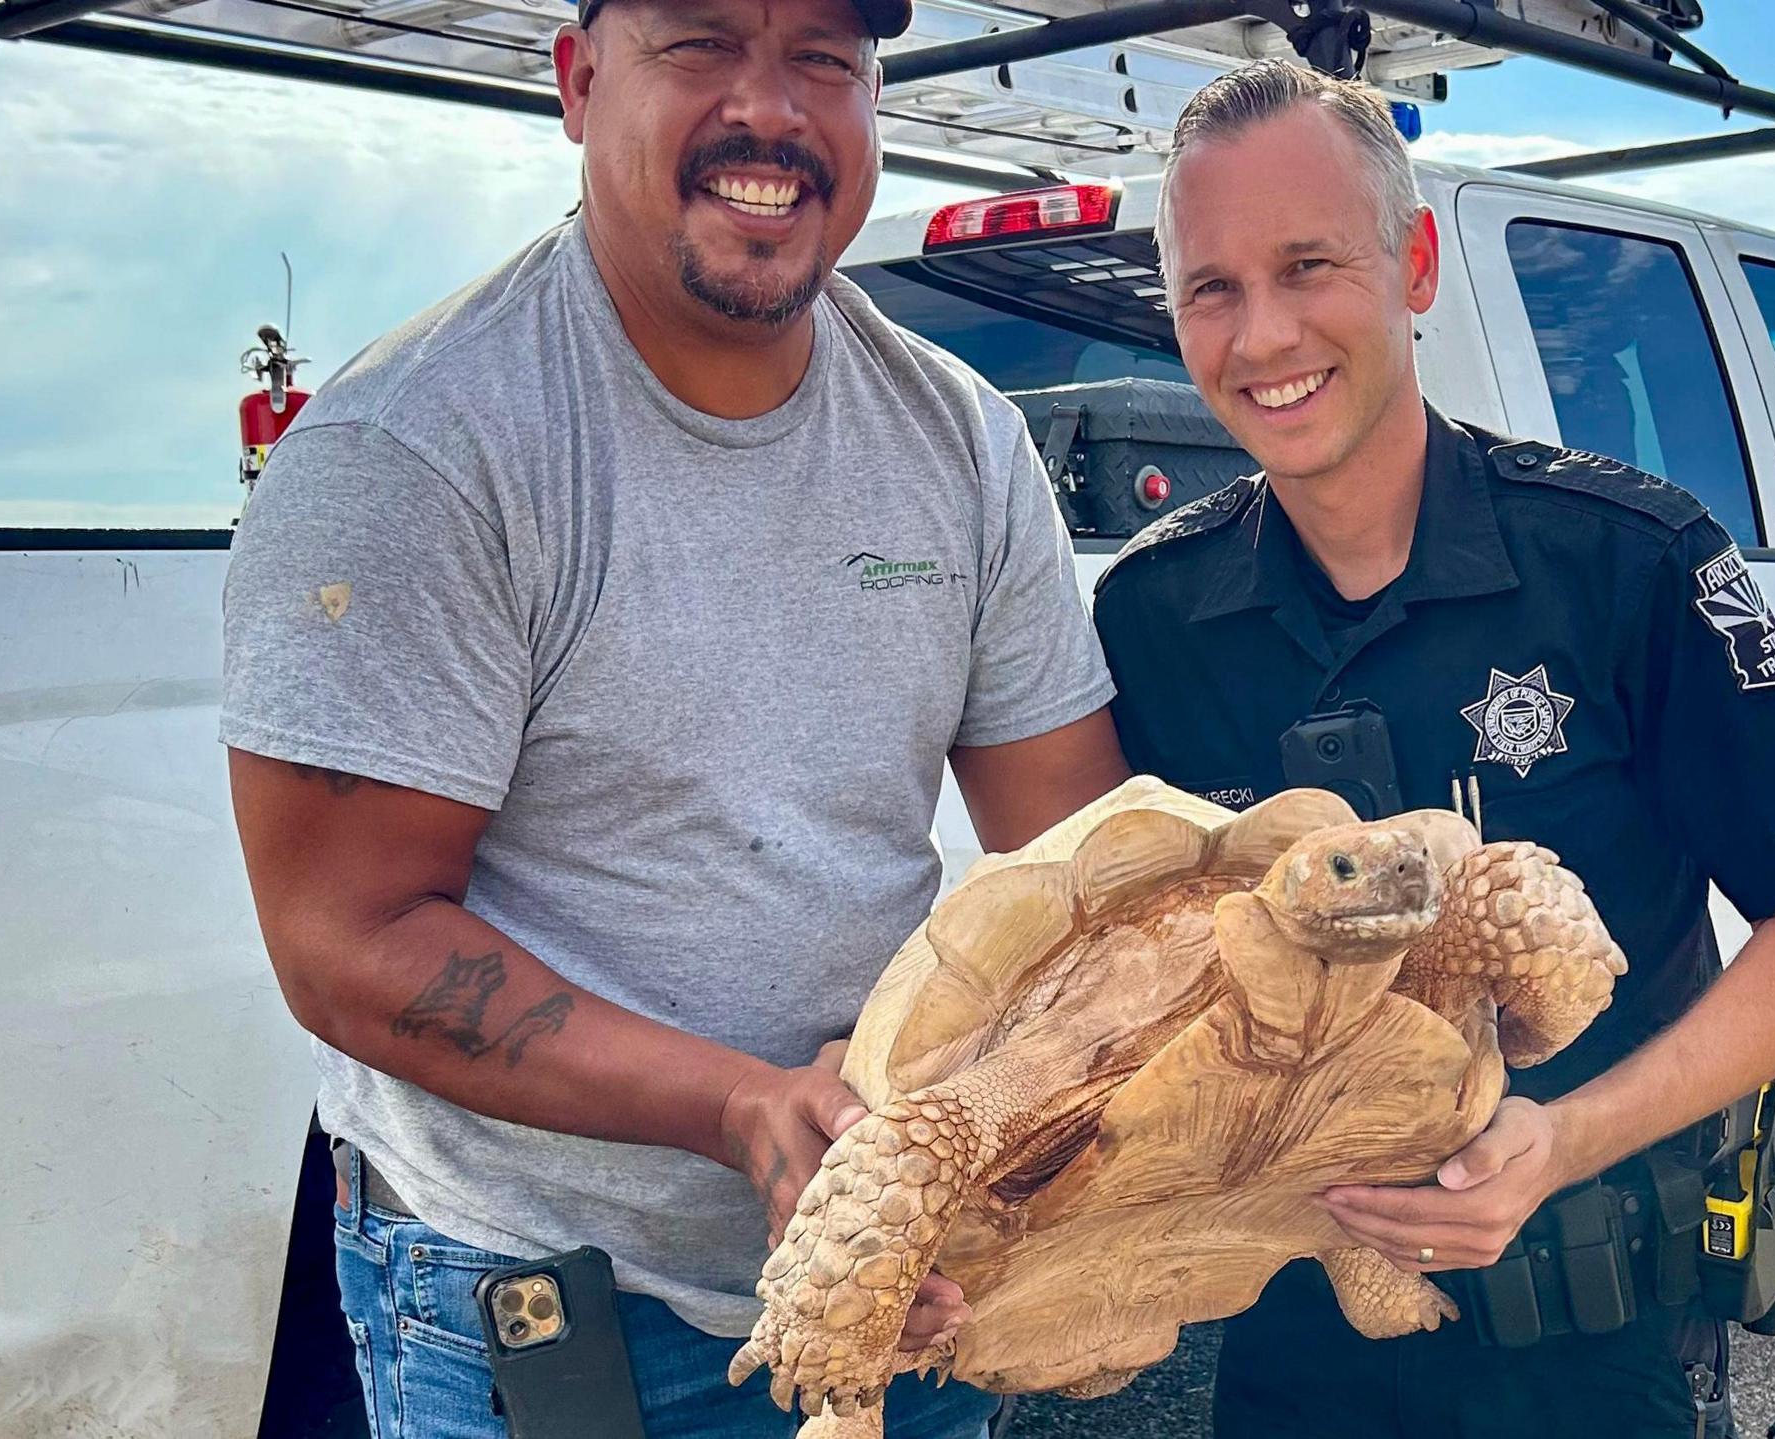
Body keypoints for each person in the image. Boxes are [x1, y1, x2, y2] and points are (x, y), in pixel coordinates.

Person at [218, 0, 1128, 1430]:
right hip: (544, 1322)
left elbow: (1081, 870)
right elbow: (348, 941)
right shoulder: (420, 448)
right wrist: (742, 1107)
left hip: (902, 1281)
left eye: (824, 58)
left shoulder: (957, 436)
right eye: (701, 41)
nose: (769, 110)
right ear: (579, 85)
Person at [1090, 61, 1775, 1437]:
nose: (1263, 332)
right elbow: (1125, 988)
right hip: (1296, 1352)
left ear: (1412, 264)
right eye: (1212, 287)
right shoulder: (1157, 617)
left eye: (1309, 266)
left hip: (1593, 1345)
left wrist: (1558, 1144)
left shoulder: (1623, 562)